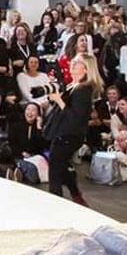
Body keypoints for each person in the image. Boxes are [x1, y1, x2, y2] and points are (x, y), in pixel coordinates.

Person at [46, 52, 102, 206]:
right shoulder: (74, 86)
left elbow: (75, 117)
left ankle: (55, 203)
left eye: (76, 63)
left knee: (55, 171)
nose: (72, 65)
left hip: (68, 135)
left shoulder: (83, 90)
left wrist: (59, 100)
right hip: (65, 133)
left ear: (85, 69)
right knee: (61, 166)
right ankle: (76, 195)